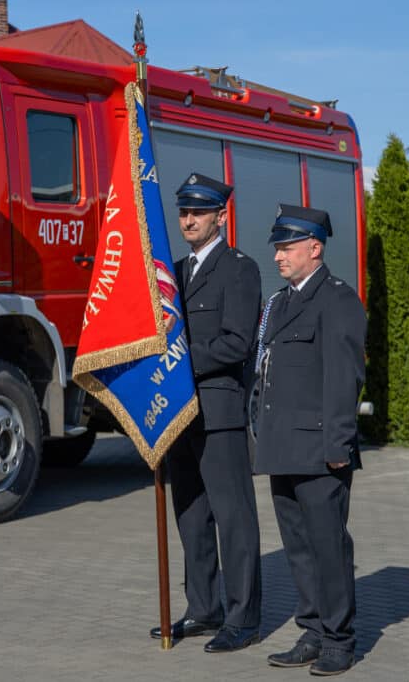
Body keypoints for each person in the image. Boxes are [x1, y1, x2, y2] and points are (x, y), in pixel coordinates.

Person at [149, 172, 263, 653]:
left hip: (219, 410)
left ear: (221, 215)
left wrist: (178, 356)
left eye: (198, 211)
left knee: (234, 517)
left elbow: (237, 343)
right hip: (180, 413)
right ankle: (204, 608)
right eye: (184, 211)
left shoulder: (240, 269)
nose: (188, 219)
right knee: (192, 516)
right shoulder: (171, 272)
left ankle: (243, 617)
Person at [253, 204, 366, 676]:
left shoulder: (338, 300)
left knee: (328, 546)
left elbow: (344, 378)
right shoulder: (279, 303)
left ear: (315, 248)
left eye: (288, 247)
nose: (279, 256)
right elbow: (264, 370)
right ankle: (313, 630)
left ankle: (339, 639)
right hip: (282, 447)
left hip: (321, 451)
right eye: (277, 247)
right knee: (298, 547)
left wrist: (338, 445)